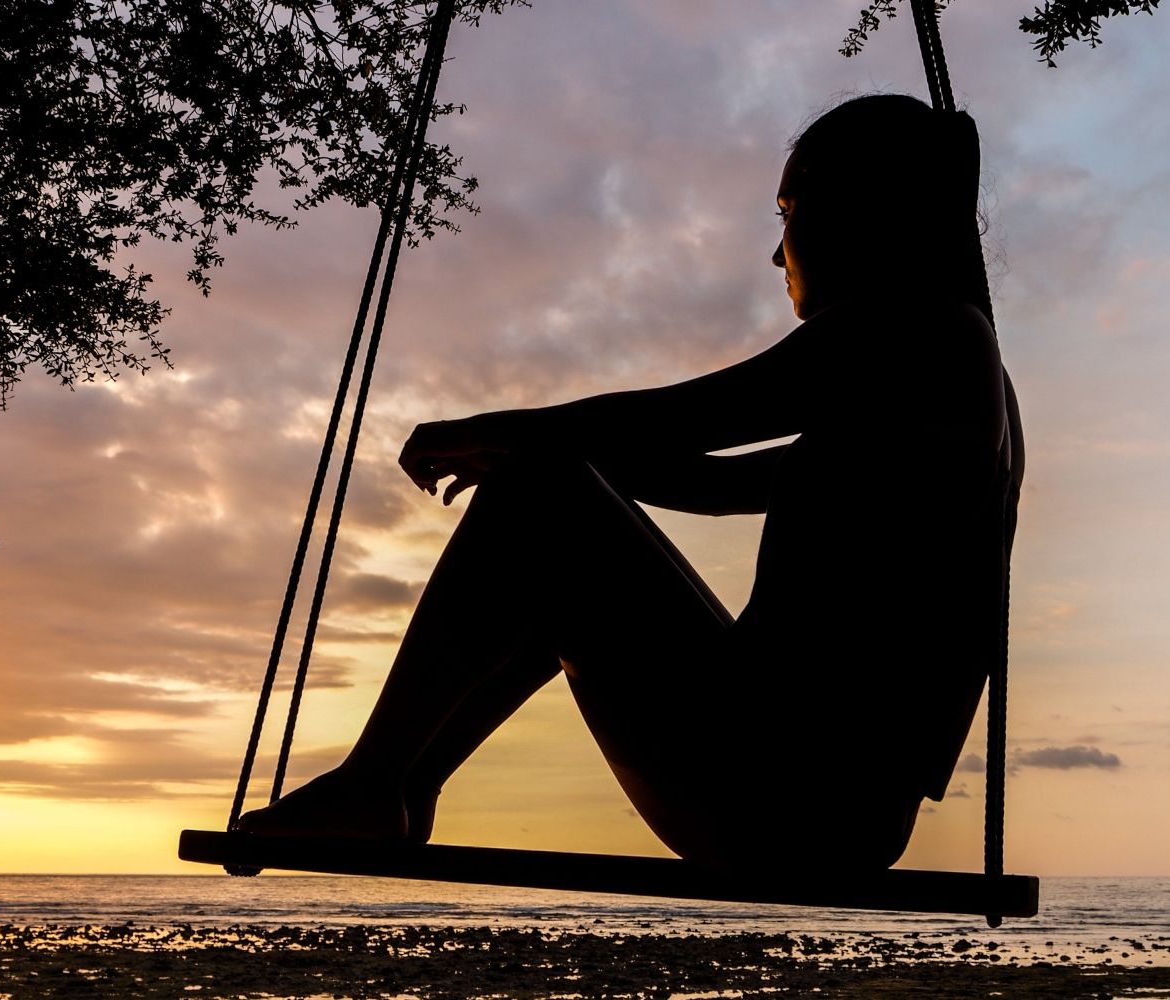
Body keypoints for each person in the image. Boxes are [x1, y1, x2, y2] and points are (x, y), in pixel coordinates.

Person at [239, 94, 1023, 871]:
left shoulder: (914, 332)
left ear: (858, 208)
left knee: (541, 493)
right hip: (834, 809)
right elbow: (711, 482)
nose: (777, 255)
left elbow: (694, 416)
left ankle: (376, 782)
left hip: (781, 792)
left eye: (787, 212)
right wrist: (545, 456)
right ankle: (402, 787)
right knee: (550, 500)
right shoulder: (954, 373)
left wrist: (504, 437)